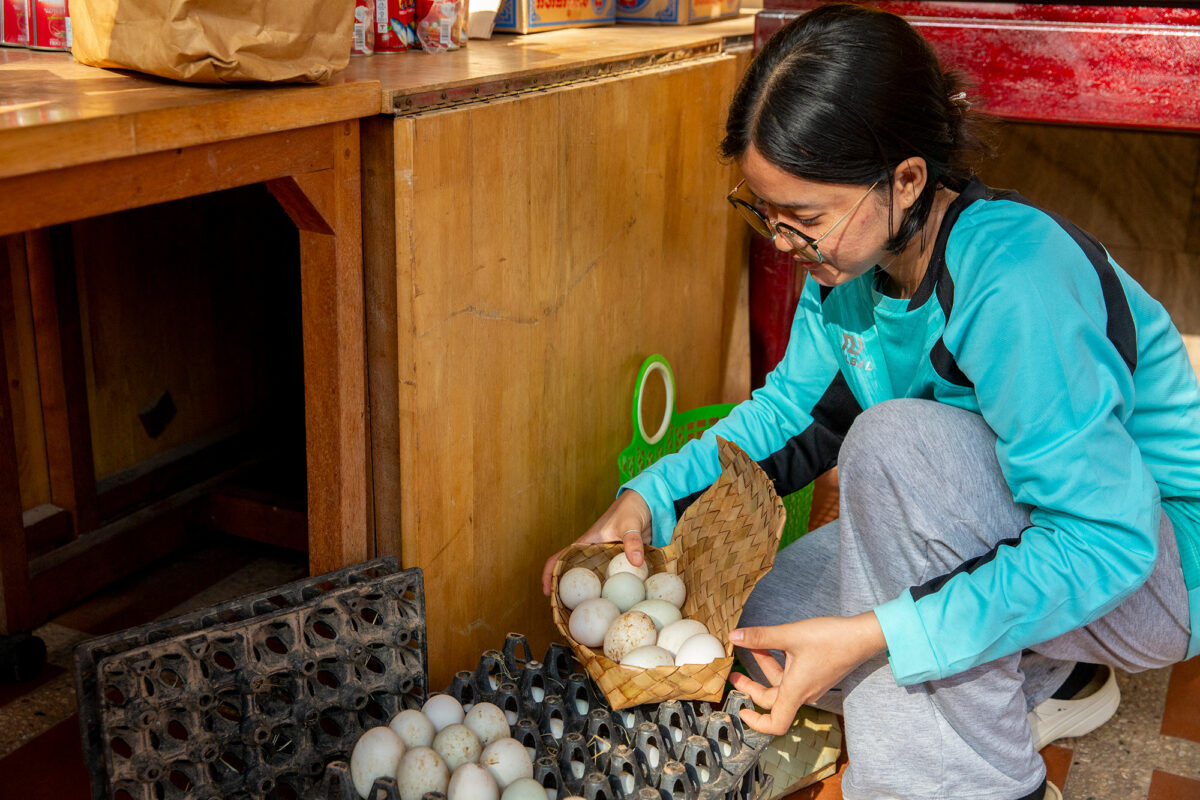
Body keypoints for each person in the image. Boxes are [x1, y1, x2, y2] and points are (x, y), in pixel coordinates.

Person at [542, 4, 1200, 799]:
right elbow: (792, 418)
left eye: (805, 218)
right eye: (766, 213)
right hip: (1025, 528)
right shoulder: (853, 271)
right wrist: (649, 500)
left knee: (893, 449)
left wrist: (873, 632)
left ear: (908, 180)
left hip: (1152, 568)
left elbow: (1106, 541)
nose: (782, 242)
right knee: (758, 631)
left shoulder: (1015, 284)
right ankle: (1050, 675)